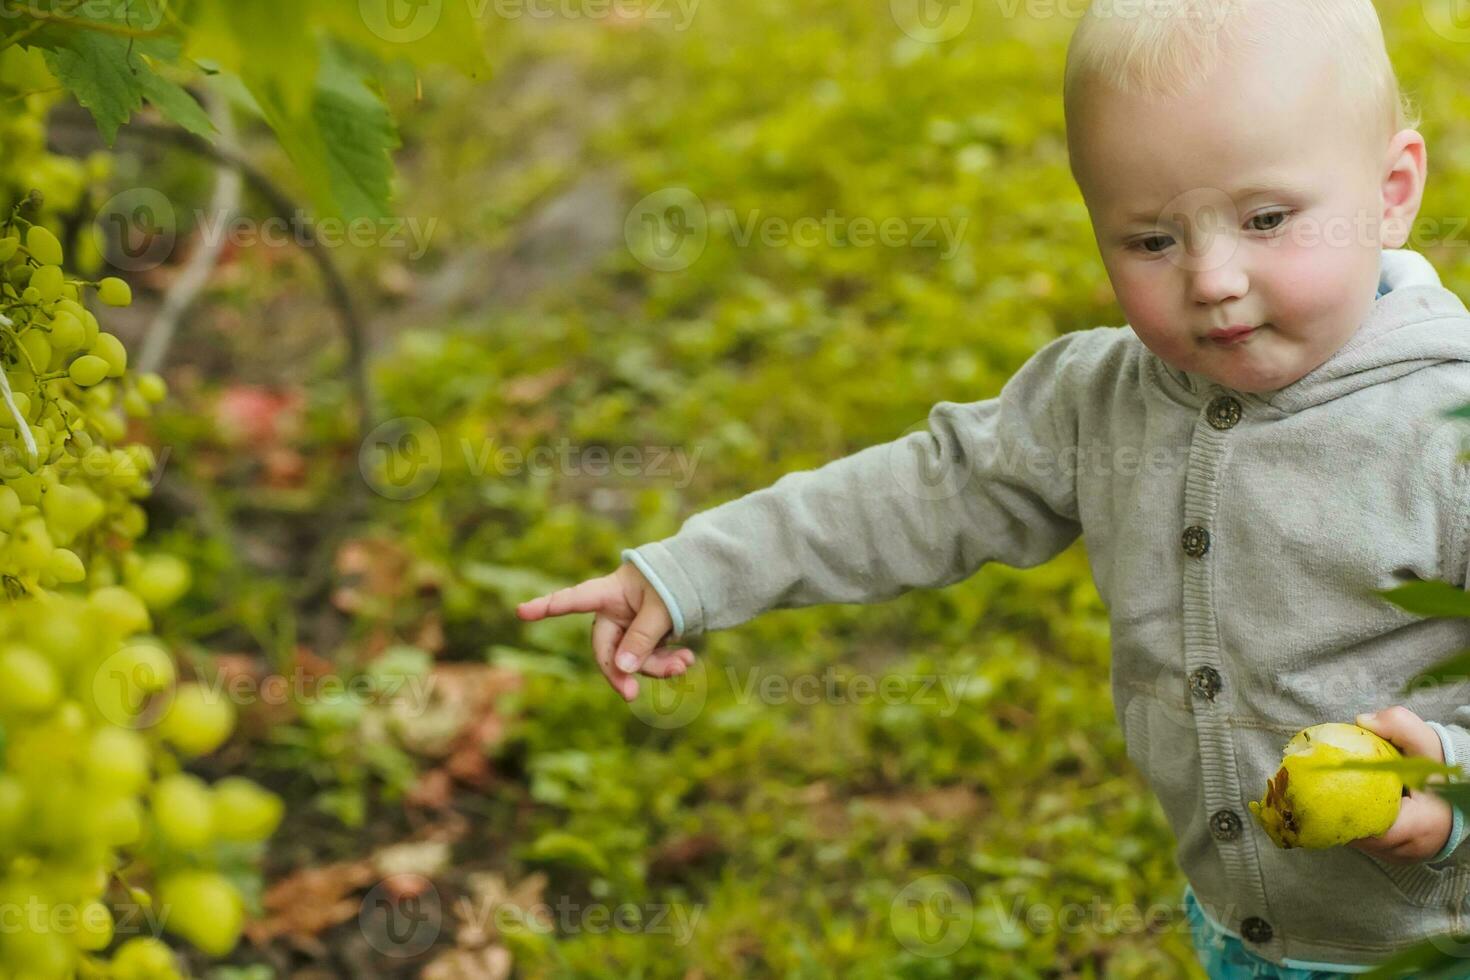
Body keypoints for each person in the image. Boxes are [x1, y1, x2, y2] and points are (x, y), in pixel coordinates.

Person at [518, 1, 1470, 974]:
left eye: (1267, 219)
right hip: (1243, 924)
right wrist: (690, 572)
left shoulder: (1448, 429)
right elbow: (922, 491)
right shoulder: (1101, 401)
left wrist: (1449, 789)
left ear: (1391, 191)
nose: (1212, 277)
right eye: (1150, 240)